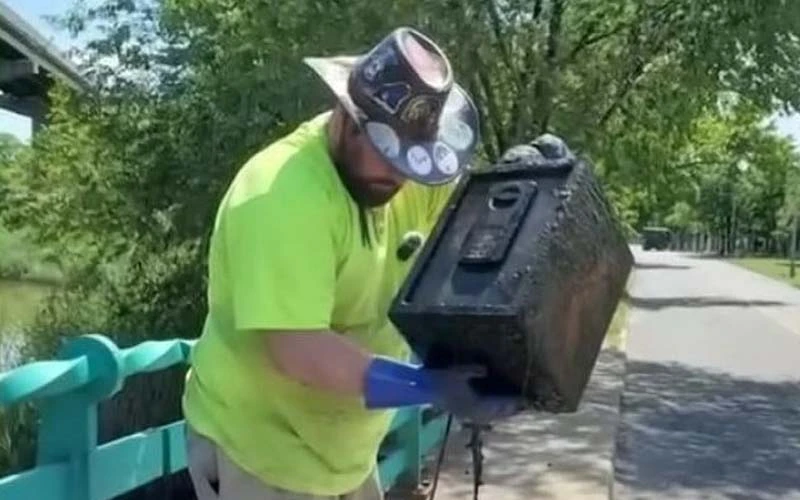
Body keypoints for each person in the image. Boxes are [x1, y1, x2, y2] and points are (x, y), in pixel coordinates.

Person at [182, 26, 523, 500]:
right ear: (348, 116)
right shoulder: (282, 195)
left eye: (413, 160)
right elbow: (298, 350)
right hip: (258, 451)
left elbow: (471, 224)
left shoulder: (406, 178)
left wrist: (526, 181)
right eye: (388, 155)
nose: (399, 175)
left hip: (346, 454)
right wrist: (428, 386)